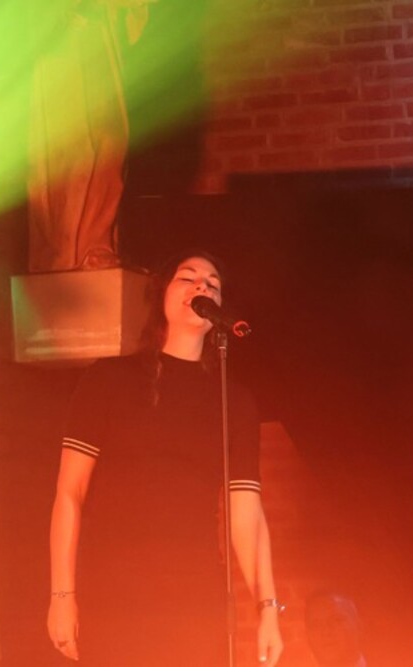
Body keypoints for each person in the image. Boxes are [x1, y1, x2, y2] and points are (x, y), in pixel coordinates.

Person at [47, 252, 284, 665]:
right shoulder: (108, 379)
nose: (202, 286)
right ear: (161, 295)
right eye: (187, 278)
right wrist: (62, 595)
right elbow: (70, 493)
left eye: (213, 284)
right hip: (114, 592)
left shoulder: (233, 400)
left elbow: (247, 514)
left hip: (194, 598)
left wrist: (268, 608)